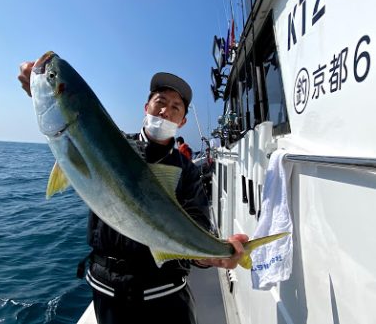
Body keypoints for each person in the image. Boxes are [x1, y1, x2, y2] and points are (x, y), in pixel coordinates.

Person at [18, 63, 248, 324]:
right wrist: (38, 88)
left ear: (183, 121)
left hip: (166, 295)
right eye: (160, 101)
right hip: (108, 292)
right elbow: (82, 123)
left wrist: (214, 256)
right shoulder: (112, 144)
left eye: (176, 107)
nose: (165, 111)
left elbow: (198, 225)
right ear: (145, 107)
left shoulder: (186, 171)